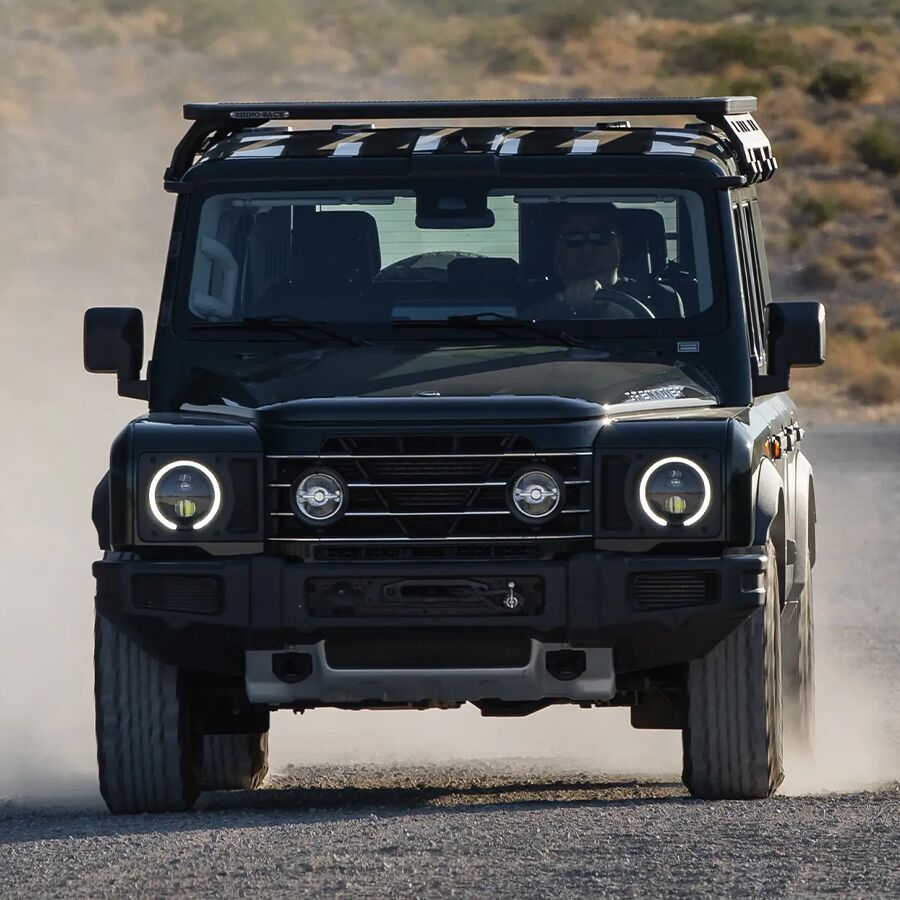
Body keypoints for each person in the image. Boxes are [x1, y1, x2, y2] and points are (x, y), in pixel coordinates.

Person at [550, 203, 681, 318]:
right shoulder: (535, 298)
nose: (587, 248)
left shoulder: (661, 299)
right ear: (558, 248)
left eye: (600, 237)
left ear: (619, 246)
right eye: (574, 238)